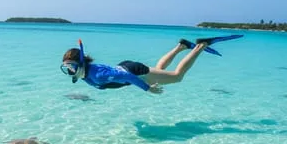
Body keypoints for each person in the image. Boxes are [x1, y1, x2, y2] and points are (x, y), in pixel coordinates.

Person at [59, 36, 240, 94]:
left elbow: (126, 77)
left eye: (71, 66)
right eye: (66, 67)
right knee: (160, 71)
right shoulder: (84, 74)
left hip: (133, 72)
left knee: (177, 77)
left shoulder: (97, 75)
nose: (69, 70)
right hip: (126, 67)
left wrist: (147, 89)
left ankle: (201, 45)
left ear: (81, 63)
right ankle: (182, 46)